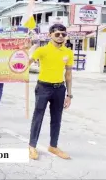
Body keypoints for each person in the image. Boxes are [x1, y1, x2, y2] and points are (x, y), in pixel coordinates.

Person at [28, 24, 74, 160]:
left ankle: (53, 146)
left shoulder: (68, 52)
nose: (61, 37)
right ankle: (32, 146)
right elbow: (25, 64)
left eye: (63, 34)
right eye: (57, 34)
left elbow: (69, 74)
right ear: (50, 35)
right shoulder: (42, 50)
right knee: (38, 117)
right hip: (43, 88)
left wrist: (69, 95)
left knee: (56, 119)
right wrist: (31, 50)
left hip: (59, 89)